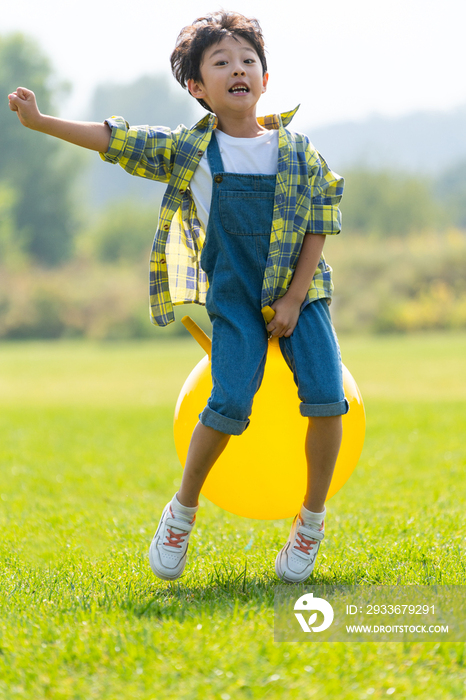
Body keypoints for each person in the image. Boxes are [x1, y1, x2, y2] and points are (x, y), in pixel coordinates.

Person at [8, 10, 348, 584]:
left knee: (326, 396)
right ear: (197, 87)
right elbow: (118, 140)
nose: (237, 69)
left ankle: (310, 521)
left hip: (302, 292)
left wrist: (293, 299)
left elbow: (320, 221)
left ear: (265, 77)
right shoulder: (188, 152)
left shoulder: (297, 151)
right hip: (236, 298)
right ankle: (182, 513)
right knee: (231, 400)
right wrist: (42, 123)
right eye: (221, 63)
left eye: (248, 61)